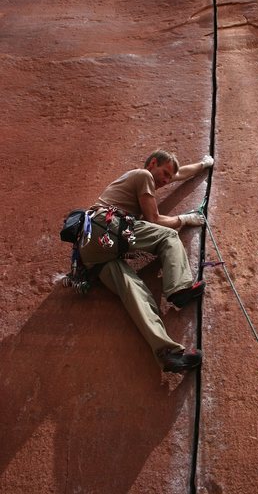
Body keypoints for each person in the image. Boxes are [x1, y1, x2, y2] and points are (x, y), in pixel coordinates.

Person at [78, 150, 214, 373]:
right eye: (164, 173)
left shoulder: (145, 178)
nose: (166, 181)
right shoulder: (143, 175)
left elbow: (180, 174)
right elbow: (154, 219)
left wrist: (202, 164)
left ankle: (168, 353)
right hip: (107, 225)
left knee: (136, 293)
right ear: (152, 163)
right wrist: (185, 219)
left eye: (169, 178)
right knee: (168, 235)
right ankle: (179, 289)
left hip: (91, 251)